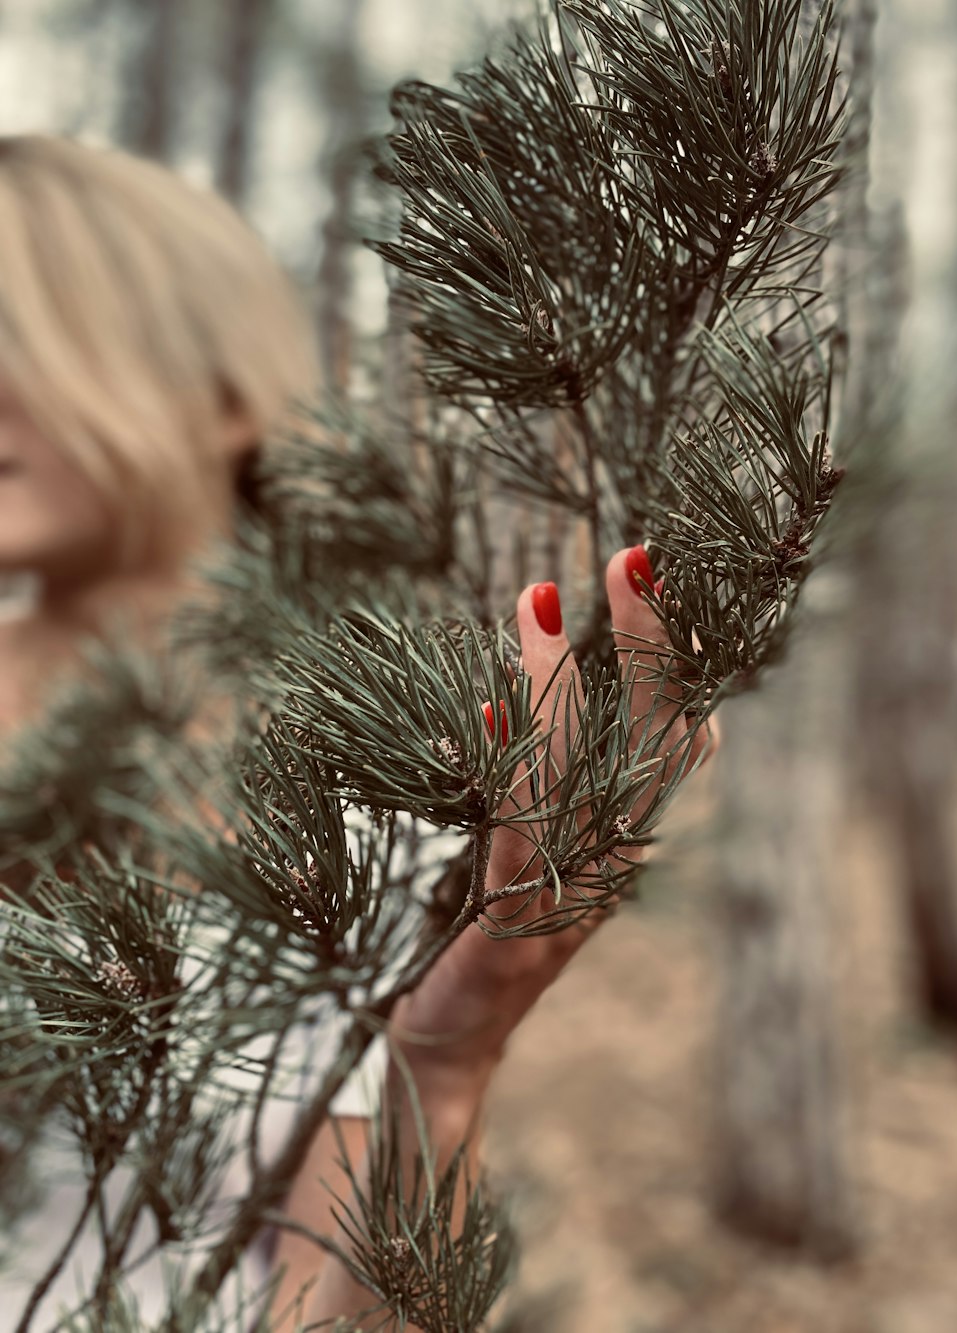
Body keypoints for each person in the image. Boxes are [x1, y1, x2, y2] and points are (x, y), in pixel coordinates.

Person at [0, 134, 713, 1329]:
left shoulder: (380, 757)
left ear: (225, 394)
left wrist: (444, 1071)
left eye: (17, 338)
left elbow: (333, 1303)